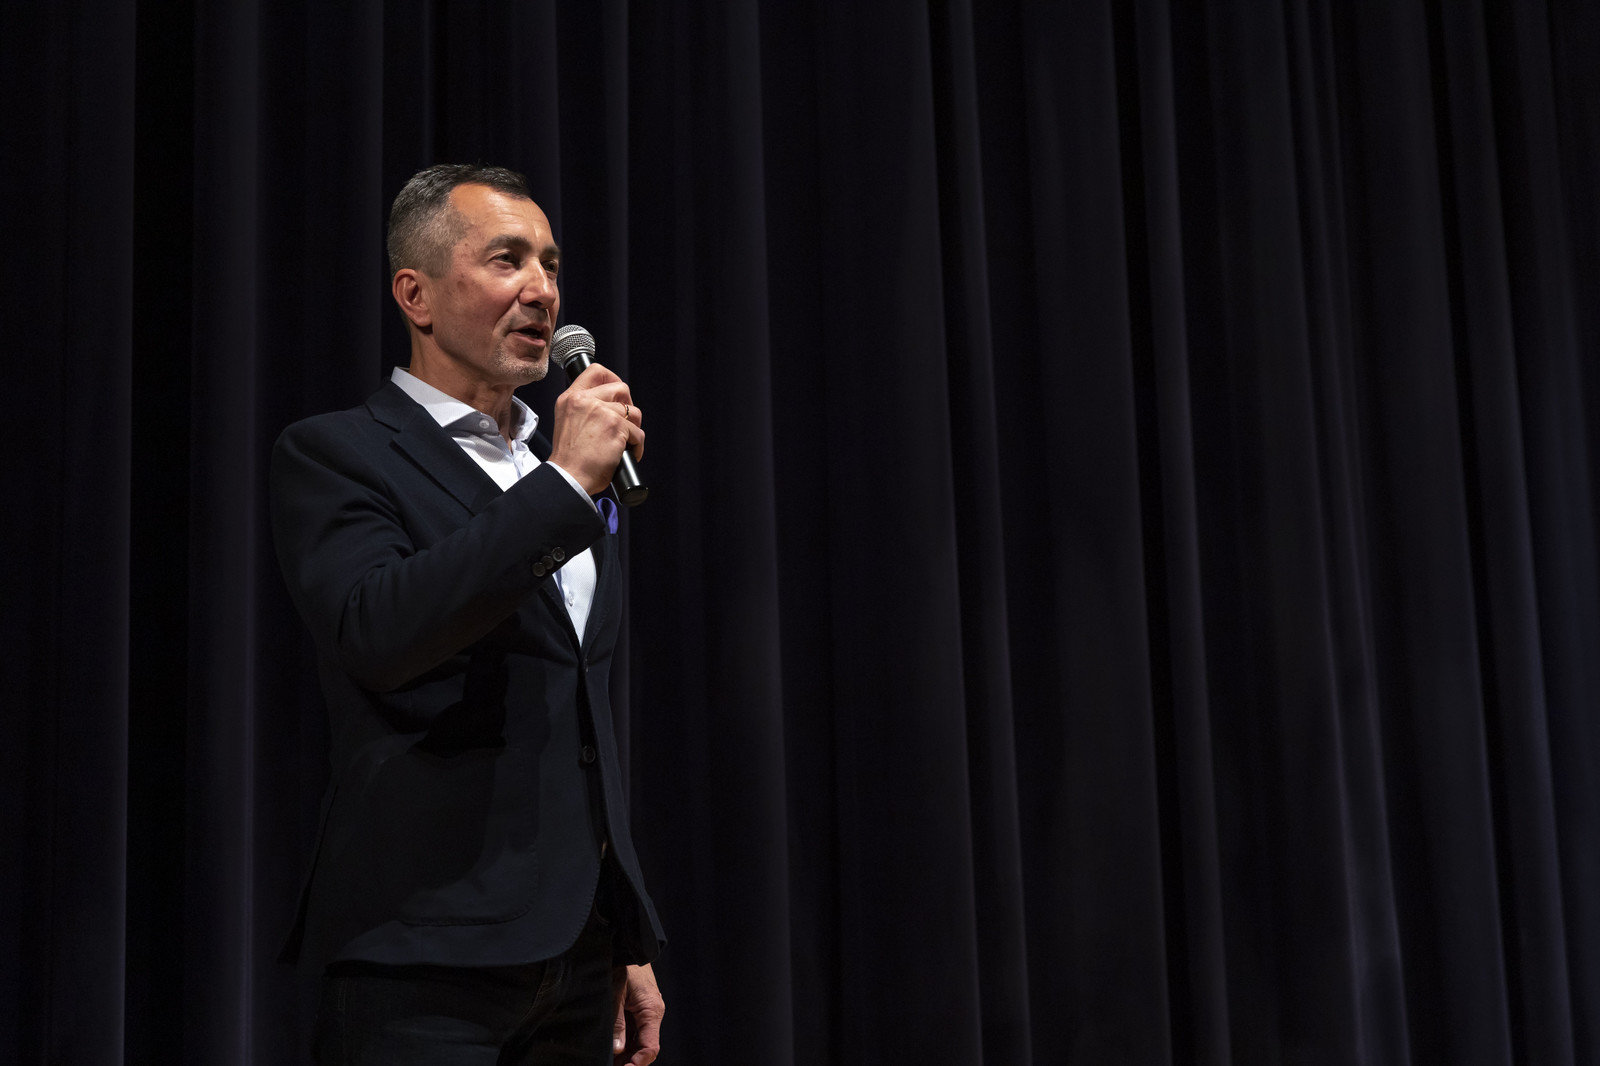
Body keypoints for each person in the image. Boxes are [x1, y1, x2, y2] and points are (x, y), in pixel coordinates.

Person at [270, 163, 665, 1064]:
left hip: (578, 956)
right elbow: (379, 632)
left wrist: (626, 926)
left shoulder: (559, 469)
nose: (542, 290)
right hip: (423, 956)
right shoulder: (338, 454)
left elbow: (581, 715)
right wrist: (563, 486)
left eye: (550, 264)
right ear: (416, 295)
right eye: (506, 260)